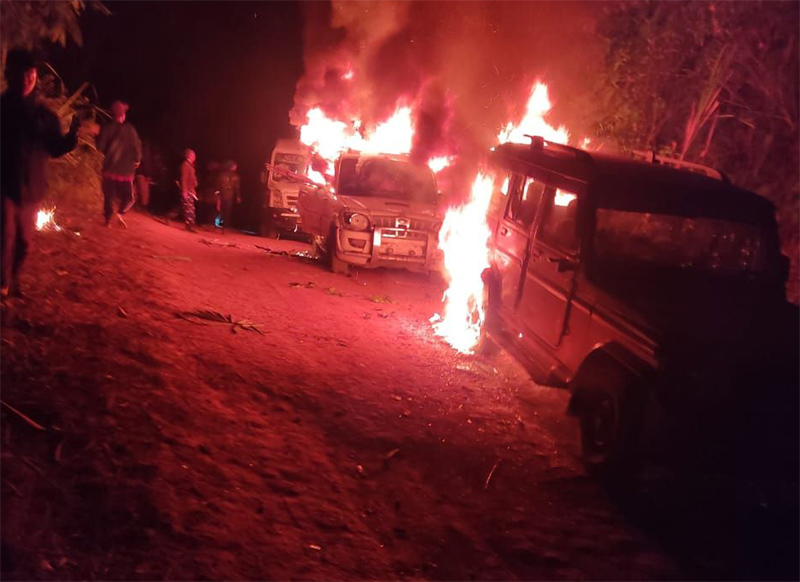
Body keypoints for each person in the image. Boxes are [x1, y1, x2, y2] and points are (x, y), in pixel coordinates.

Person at [0, 48, 80, 299]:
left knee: (24, 241)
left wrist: (71, 137)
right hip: (4, 184)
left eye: (31, 74)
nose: (27, 79)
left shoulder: (45, 115)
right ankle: (2, 284)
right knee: (5, 236)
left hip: (32, 188)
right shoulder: (2, 108)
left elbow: (54, 148)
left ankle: (13, 279)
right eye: (22, 73)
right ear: (10, 74)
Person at [96, 100, 142, 228]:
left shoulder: (107, 128)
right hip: (126, 171)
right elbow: (137, 147)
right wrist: (137, 160)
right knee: (129, 197)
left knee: (108, 196)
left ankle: (108, 220)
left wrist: (98, 135)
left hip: (109, 168)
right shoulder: (130, 130)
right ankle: (121, 212)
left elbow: (100, 147)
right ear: (123, 115)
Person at [217, 160, 241, 231]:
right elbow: (237, 187)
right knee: (227, 211)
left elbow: (218, 185)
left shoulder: (222, 175)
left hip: (222, 194)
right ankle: (225, 226)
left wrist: (217, 193)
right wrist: (238, 196)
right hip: (229, 195)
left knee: (221, 209)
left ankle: (218, 223)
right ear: (232, 167)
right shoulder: (235, 177)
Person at [180, 148, 199, 231]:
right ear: (189, 156)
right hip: (187, 190)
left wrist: (193, 189)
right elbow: (184, 178)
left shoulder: (190, 165)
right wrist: (184, 190)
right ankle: (189, 225)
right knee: (188, 208)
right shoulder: (185, 165)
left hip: (190, 189)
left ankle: (190, 225)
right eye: (193, 155)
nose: (195, 157)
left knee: (190, 208)